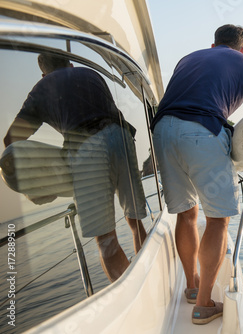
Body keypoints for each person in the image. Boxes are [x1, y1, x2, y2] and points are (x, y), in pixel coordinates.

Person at [151, 24, 243, 324]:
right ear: (242, 48)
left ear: (213, 45)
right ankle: (203, 304)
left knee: (186, 214)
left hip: (163, 131)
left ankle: (191, 287)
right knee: (217, 219)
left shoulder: (188, 58)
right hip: (202, 130)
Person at [4, 53, 147, 282]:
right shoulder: (91, 73)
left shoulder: (41, 88)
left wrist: (40, 183)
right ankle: (147, 276)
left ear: (43, 74)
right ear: (70, 64)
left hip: (87, 149)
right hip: (121, 136)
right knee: (135, 220)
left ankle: (134, 293)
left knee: (106, 241)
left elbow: (11, 141)